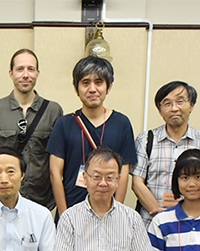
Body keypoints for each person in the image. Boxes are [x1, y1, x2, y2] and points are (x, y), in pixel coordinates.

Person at [48, 56, 136, 216]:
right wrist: (64, 214)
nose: (92, 89)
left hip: (108, 211)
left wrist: (116, 214)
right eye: (85, 83)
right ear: (76, 89)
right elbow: (55, 173)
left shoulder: (122, 123)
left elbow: (123, 174)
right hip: (72, 210)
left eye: (99, 82)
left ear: (108, 87)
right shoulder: (64, 124)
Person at [131, 80, 200, 227]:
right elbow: (137, 183)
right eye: (167, 103)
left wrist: (184, 212)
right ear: (160, 111)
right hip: (150, 223)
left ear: (191, 105)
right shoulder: (146, 140)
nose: (174, 108)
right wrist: (161, 216)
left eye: (180, 101)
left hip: (192, 224)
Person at [0, 49, 63, 210]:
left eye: (31, 69)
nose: (25, 75)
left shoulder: (53, 111)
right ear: (11, 73)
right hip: (7, 198)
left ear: (37, 73)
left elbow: (57, 157)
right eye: (20, 69)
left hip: (42, 199)